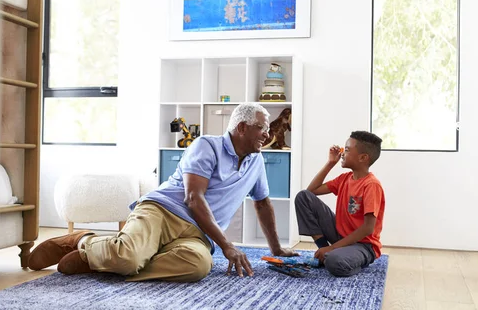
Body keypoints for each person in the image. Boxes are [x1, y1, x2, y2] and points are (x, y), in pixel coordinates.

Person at [29, 103, 298, 281]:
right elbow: (193, 198)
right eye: (262, 127)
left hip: (199, 233)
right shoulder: (207, 146)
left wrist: (276, 249)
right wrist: (227, 245)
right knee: (128, 257)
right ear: (242, 127)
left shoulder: (257, 161)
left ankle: (104, 260)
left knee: (197, 267)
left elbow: (262, 204)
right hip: (163, 211)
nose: (267, 133)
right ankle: (84, 242)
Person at [294, 131, 385, 277]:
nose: (342, 153)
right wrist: (330, 163)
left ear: (363, 157)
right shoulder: (344, 178)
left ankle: (339, 256)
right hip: (341, 235)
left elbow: (368, 229)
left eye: (347, 150)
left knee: (334, 262)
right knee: (303, 197)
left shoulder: (371, 185)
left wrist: (333, 249)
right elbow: (311, 191)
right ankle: (325, 250)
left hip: (364, 245)